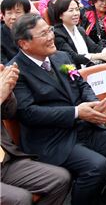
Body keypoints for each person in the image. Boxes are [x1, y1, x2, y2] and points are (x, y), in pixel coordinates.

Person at [11, 13, 106, 205]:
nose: (51, 36)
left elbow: (82, 85)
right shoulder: (16, 71)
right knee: (97, 167)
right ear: (24, 43)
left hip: (85, 127)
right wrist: (76, 112)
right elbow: (28, 113)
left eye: (50, 30)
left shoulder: (60, 56)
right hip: (52, 140)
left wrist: (94, 105)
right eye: (43, 34)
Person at [1, 62, 72, 205]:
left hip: (5, 160)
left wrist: (7, 94)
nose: (51, 37)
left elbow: (8, 112)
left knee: (60, 179)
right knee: (21, 198)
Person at [53, 0, 106, 68]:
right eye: (71, 10)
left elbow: (94, 47)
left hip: (89, 68)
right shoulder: (57, 34)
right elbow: (73, 57)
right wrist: (101, 56)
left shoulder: (80, 30)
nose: (76, 13)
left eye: (77, 9)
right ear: (60, 15)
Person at [1, 0, 31, 64]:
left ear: (27, 14)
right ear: (3, 15)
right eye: (9, 13)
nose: (13, 17)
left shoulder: (34, 30)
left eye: (18, 12)